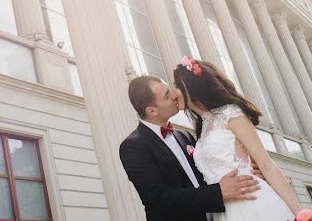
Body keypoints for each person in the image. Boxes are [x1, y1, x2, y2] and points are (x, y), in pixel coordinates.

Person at [173, 56, 302, 221]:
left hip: (253, 204)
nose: (173, 91)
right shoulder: (204, 125)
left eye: (177, 85)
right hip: (224, 210)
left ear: (190, 85)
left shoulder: (231, 114)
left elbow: (267, 166)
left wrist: (302, 215)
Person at [120, 73, 263, 221]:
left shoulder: (185, 136)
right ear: (151, 111)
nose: (175, 95)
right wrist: (218, 193)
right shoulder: (133, 146)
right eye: (167, 96)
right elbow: (158, 199)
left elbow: (210, 170)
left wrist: (247, 170)